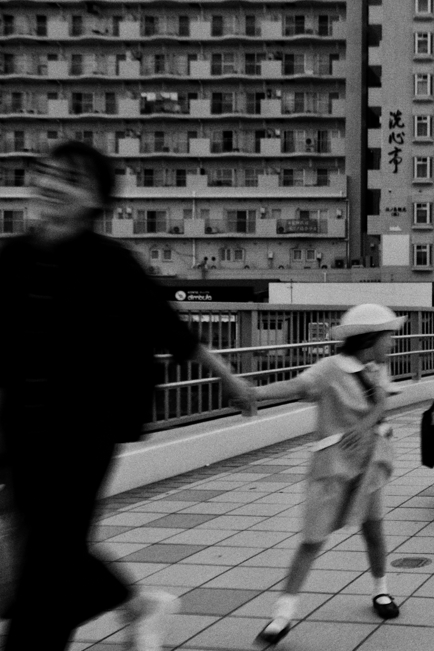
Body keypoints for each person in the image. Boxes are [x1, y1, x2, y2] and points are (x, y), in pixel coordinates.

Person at [0, 141, 253, 651]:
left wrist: (230, 378)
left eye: (70, 179)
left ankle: (57, 628)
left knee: (48, 557)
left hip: (84, 431)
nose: (51, 184)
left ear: (96, 199)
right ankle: (138, 606)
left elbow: (171, 329)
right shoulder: (13, 257)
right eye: (47, 172)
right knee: (54, 548)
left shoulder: (112, 262)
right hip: (20, 431)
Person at [253, 304, 405, 645]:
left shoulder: (377, 367)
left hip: (368, 464)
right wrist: (255, 393)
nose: (393, 342)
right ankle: (282, 614)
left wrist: (365, 425)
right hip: (332, 467)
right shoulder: (329, 369)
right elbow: (298, 385)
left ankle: (381, 590)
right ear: (370, 338)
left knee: (374, 529)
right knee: (312, 538)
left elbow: (381, 403)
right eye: (389, 336)